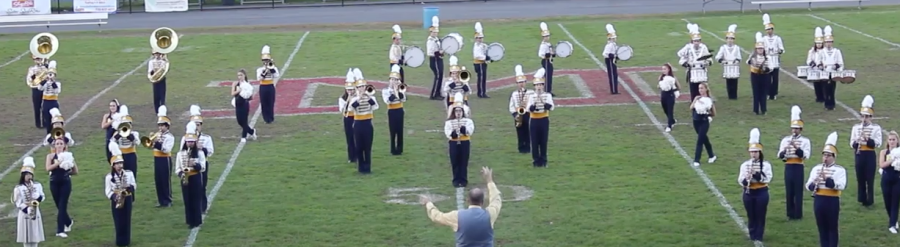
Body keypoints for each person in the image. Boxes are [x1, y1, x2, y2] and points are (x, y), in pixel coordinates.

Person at [420, 167, 502, 246]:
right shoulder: (490, 214)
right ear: (483, 202)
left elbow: (437, 216)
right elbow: (496, 199)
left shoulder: (457, 216)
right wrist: (490, 180)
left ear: (467, 200)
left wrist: (428, 203)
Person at [806, 131, 846, 247]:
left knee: (832, 226)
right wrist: (814, 184)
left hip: (832, 200)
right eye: (824, 155)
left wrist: (827, 179)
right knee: (821, 226)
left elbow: (841, 185)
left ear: (834, 157)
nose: (826, 158)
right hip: (819, 199)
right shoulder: (816, 168)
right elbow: (808, 185)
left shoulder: (840, 170)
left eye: (828, 155)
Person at [777, 105, 811, 220]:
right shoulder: (785, 140)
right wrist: (785, 150)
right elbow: (780, 156)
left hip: (798, 166)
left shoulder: (805, 141)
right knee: (789, 190)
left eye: (796, 129)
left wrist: (796, 148)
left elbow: (805, 155)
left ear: (801, 129)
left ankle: (798, 213)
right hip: (788, 166)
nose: (794, 131)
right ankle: (790, 213)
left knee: (798, 190)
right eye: (793, 128)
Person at [739, 128, 772, 242]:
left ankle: (759, 234)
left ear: (760, 153)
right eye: (752, 152)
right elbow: (740, 180)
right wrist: (745, 180)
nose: (753, 154)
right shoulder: (745, 165)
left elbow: (768, 178)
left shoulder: (766, 165)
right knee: (751, 214)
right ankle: (752, 233)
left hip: (761, 192)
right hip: (748, 192)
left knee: (760, 214)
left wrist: (757, 175)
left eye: (756, 152)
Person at [851, 95, 882, 207]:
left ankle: (870, 200)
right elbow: (852, 143)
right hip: (859, 154)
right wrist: (857, 142)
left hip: (869, 154)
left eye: (867, 117)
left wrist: (867, 139)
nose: (864, 119)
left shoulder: (876, 128)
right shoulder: (855, 128)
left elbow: (877, 143)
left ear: (871, 117)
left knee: (870, 178)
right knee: (860, 177)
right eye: (863, 116)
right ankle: (862, 198)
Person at [45, 137, 78, 238]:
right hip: (54, 183)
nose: (59, 145)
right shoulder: (50, 156)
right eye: (57, 144)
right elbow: (48, 168)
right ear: (54, 146)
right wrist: (58, 163)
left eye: (61, 144)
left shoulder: (69, 156)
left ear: (64, 146)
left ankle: (60, 230)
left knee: (62, 205)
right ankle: (68, 222)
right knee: (59, 206)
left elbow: (76, 171)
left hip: (65, 183)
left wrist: (67, 173)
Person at [177, 122, 207, 229]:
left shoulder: (199, 153)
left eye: (192, 142)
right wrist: (182, 175)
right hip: (185, 178)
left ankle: (197, 221)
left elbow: (203, 167)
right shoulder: (180, 154)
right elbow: (177, 168)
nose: (190, 144)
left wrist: (194, 164)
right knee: (187, 200)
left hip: (196, 177)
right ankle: (189, 221)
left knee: (196, 199)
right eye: (188, 142)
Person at [105, 143, 135, 247]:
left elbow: (134, 185)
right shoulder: (109, 177)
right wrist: (114, 197)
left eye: (121, 163)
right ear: (113, 165)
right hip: (116, 200)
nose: (120, 166)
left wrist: (129, 189)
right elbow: (108, 191)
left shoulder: (129, 173)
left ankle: (126, 241)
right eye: (117, 164)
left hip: (127, 198)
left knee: (127, 219)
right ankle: (119, 241)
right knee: (118, 220)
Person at [350, 68, 379, 174]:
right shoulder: (354, 99)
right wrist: (359, 98)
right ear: (357, 88)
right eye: (360, 87)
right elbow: (351, 109)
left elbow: (375, 107)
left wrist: (368, 97)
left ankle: (368, 168)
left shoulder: (371, 97)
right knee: (359, 147)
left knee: (367, 147)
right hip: (358, 124)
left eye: (363, 87)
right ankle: (361, 168)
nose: (362, 88)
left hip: (367, 123)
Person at [185, 105, 214, 213]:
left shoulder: (206, 138)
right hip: (189, 165)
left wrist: (203, 148)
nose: (197, 127)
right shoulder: (186, 138)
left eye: (198, 125)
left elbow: (210, 152)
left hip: (202, 165)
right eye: (195, 125)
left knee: (202, 186)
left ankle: (203, 206)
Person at [15, 157, 46, 247]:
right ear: (23, 176)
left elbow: (42, 197)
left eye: (30, 174)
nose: (29, 176)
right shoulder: (18, 188)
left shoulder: (37, 185)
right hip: (25, 214)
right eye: (27, 175)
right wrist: (27, 209)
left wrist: (37, 198)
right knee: (26, 238)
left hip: (36, 212)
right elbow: (18, 203)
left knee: (35, 236)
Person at [527, 68, 554, 167]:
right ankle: (536, 160)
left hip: (544, 119)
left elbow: (551, 107)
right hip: (534, 120)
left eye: (541, 85)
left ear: (543, 86)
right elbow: (528, 108)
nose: (539, 87)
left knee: (543, 141)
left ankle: (544, 160)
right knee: (534, 141)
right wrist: (533, 105)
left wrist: (543, 101)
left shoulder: (547, 95)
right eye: (537, 85)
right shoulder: (530, 96)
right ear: (534, 86)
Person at [678, 23, 712, 102]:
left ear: (700, 41)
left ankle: (705, 101)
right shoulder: (688, 47)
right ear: (692, 41)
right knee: (693, 89)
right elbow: (680, 54)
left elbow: (709, 59)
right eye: (695, 41)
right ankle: (694, 102)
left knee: (703, 88)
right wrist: (686, 63)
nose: (696, 42)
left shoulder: (704, 47)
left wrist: (706, 62)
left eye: (698, 41)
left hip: (701, 71)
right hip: (692, 71)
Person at [445, 103, 475, 188]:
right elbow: (447, 132)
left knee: (463, 162)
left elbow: (471, 130)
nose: (458, 113)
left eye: (460, 111)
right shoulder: (449, 122)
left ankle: (463, 180)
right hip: (453, 143)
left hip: (464, 142)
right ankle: (456, 180)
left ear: (463, 112)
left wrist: (464, 130)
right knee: (455, 162)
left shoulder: (468, 121)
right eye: (456, 111)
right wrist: (453, 134)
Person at [152, 105, 176, 208]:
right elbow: (151, 147)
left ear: (167, 126)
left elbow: (167, 149)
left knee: (165, 180)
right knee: (158, 179)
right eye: (159, 125)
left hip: (165, 159)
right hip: (157, 158)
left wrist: (156, 143)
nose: (160, 127)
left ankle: (168, 199)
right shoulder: (157, 135)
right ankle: (161, 200)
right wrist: (151, 142)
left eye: (162, 125)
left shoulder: (170, 137)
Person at [816, 26, 843, 111]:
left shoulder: (837, 51)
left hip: (833, 73)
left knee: (832, 88)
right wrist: (821, 66)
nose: (828, 44)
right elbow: (818, 62)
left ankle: (832, 103)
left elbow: (840, 62)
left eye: (830, 42)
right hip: (825, 73)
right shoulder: (821, 52)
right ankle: (827, 104)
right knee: (825, 88)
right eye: (827, 42)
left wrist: (836, 67)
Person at [382, 65, 407, 155]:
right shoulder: (385, 90)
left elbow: (403, 99)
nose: (394, 81)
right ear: (389, 80)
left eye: (396, 80)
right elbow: (387, 101)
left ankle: (400, 149)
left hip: (399, 110)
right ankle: (393, 149)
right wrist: (394, 92)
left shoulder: (401, 89)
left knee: (400, 130)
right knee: (393, 131)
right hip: (391, 111)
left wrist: (398, 91)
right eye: (392, 79)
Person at [690, 83, 717, 167]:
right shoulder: (697, 98)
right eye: (699, 88)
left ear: (706, 89)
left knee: (700, 140)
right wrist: (695, 100)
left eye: (702, 88)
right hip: (696, 121)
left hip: (704, 122)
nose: (700, 90)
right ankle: (712, 155)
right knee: (704, 139)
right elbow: (691, 108)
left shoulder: (709, 100)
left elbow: (714, 113)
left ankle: (696, 159)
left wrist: (707, 115)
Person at [110, 105, 140, 178]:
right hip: (121, 156)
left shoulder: (134, 133)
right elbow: (111, 143)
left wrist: (132, 138)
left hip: (131, 155)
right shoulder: (117, 133)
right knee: (121, 175)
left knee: (132, 174)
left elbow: (137, 142)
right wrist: (117, 137)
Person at [879, 131, 900, 233]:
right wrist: (892, 160)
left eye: (894, 140)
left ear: (897, 141)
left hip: (897, 179)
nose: (892, 142)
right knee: (888, 202)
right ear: (887, 141)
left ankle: (892, 224)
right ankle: (893, 219)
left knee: (895, 202)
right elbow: (882, 165)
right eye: (890, 140)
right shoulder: (884, 152)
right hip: (886, 179)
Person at [715, 24, 743, 99]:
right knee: (729, 82)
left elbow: (739, 57)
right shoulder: (723, 48)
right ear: (726, 39)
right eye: (728, 38)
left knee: (734, 81)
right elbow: (717, 57)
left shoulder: (736, 48)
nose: (730, 40)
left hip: (734, 67)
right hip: (727, 67)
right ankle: (730, 96)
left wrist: (736, 61)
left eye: (732, 39)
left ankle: (734, 96)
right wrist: (723, 61)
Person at [508, 64, 531, 153]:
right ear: (517, 84)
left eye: (523, 82)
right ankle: (521, 147)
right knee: (520, 132)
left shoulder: (530, 93)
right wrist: (515, 114)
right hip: (518, 114)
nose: (521, 84)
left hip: (528, 114)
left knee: (528, 131)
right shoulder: (514, 94)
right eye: (519, 82)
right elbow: (511, 106)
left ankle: (528, 147)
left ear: (525, 82)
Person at [761, 13, 785, 100]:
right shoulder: (763, 39)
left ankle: (774, 93)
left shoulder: (777, 38)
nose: (769, 31)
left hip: (775, 61)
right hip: (767, 61)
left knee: (775, 79)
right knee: (767, 79)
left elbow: (781, 49)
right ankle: (767, 93)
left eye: (770, 29)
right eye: (767, 29)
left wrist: (778, 51)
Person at [748, 32, 771, 115]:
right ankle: (755, 110)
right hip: (755, 75)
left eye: (761, 48)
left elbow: (771, 67)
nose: (760, 50)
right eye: (758, 48)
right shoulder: (753, 56)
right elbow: (748, 62)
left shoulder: (767, 57)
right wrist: (752, 62)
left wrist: (766, 69)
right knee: (756, 92)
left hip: (764, 76)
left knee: (763, 93)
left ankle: (764, 109)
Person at [232, 69, 258, 142]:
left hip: (244, 104)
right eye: (238, 75)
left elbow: (251, 97)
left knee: (244, 121)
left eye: (241, 75)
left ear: (244, 75)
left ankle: (243, 137)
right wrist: (237, 90)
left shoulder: (247, 85)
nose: (239, 77)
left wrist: (246, 95)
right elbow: (232, 93)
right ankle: (252, 132)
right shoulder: (236, 84)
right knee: (239, 121)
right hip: (237, 104)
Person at [257, 45, 281, 124]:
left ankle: (271, 117)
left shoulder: (273, 68)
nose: (265, 62)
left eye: (267, 60)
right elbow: (259, 78)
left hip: (270, 86)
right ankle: (265, 118)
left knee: (271, 102)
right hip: (263, 87)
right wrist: (265, 72)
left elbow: (277, 76)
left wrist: (272, 69)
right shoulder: (260, 69)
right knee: (264, 103)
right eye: (264, 60)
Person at [338, 68, 357, 163]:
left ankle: (358, 155)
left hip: (357, 118)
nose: (350, 91)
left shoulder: (358, 97)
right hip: (348, 118)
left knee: (358, 137)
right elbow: (344, 111)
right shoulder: (342, 99)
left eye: (352, 90)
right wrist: (349, 100)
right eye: (348, 90)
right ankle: (351, 157)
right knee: (350, 137)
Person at [657, 64, 681, 133]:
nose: (663, 70)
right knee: (665, 109)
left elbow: (679, 87)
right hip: (663, 94)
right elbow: (659, 86)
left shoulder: (673, 77)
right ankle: (672, 120)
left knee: (670, 110)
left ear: (669, 69)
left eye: (665, 69)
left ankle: (669, 126)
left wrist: (674, 89)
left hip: (670, 95)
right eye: (662, 69)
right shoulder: (661, 77)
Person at [39, 60, 60, 134]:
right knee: (47, 119)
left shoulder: (57, 83)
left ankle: (55, 132)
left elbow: (57, 91)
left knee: (55, 119)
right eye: (49, 74)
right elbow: (39, 88)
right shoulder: (45, 83)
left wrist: (53, 83)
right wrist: (44, 81)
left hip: (53, 102)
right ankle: (48, 133)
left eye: (52, 74)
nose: (50, 75)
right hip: (46, 102)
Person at [427, 16, 445, 100]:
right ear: (431, 32)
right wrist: (439, 53)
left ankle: (438, 92)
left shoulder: (436, 39)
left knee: (440, 76)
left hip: (439, 59)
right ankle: (434, 95)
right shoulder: (430, 40)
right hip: (434, 60)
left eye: (436, 32)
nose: (435, 33)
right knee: (438, 76)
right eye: (434, 32)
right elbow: (430, 52)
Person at [27, 56, 46, 129]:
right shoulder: (32, 69)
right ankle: (38, 123)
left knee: (44, 106)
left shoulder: (46, 68)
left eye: (40, 59)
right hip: (35, 89)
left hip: (44, 89)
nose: (38, 61)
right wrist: (33, 77)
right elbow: (29, 80)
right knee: (37, 107)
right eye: (37, 59)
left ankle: (45, 122)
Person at [472, 22, 491, 98]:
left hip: (482, 63)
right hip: (479, 64)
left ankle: (481, 92)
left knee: (483, 78)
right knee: (481, 78)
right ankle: (481, 93)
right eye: (478, 38)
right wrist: (485, 58)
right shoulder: (476, 46)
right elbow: (477, 56)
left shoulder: (483, 45)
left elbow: (487, 51)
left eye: (481, 38)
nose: (480, 39)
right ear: (476, 39)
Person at [808, 27, 826, 103]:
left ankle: (824, 96)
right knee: (816, 84)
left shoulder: (824, 51)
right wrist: (812, 63)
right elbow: (809, 60)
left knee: (823, 83)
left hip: (823, 69)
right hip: (815, 69)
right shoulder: (812, 51)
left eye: (820, 43)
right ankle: (818, 97)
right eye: (817, 43)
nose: (818, 45)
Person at [601, 23, 620, 94]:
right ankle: (613, 91)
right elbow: (605, 54)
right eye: (614, 37)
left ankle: (615, 89)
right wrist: (612, 56)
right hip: (609, 61)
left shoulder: (614, 45)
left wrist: (617, 56)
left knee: (615, 75)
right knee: (612, 75)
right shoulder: (609, 45)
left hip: (613, 61)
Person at [538, 22, 555, 95]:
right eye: (546, 36)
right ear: (543, 37)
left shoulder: (548, 44)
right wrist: (549, 55)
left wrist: (553, 54)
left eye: (548, 36)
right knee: (547, 77)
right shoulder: (543, 45)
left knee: (550, 76)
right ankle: (547, 91)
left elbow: (551, 53)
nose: (547, 37)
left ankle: (549, 90)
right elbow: (541, 55)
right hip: (545, 62)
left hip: (549, 61)